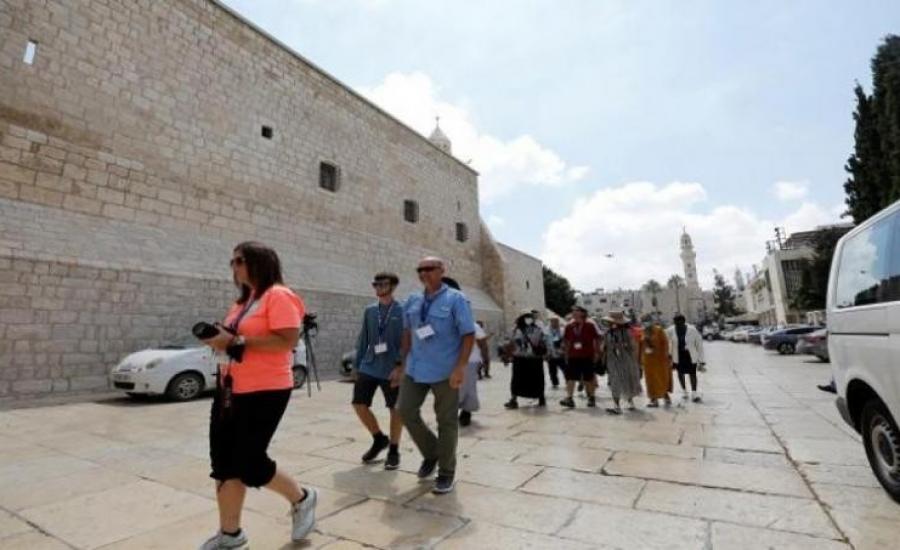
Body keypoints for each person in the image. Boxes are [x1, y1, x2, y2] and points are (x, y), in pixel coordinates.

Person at [199, 242, 316, 549]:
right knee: (223, 463)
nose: (234, 267)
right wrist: (220, 339)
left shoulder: (279, 295)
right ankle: (231, 535)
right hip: (229, 389)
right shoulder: (243, 302)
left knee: (249, 462)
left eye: (239, 260)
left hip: (265, 390)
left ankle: (302, 498)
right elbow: (237, 339)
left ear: (259, 262)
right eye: (232, 261)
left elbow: (287, 340)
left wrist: (237, 340)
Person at [397, 257, 475, 494]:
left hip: (445, 370)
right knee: (405, 410)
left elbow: (468, 334)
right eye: (420, 270)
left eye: (429, 269)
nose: (424, 273)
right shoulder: (413, 300)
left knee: (446, 421)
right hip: (415, 368)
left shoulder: (456, 299)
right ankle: (431, 453)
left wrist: (460, 367)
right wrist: (401, 364)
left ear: (442, 270)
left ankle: (446, 472)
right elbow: (408, 333)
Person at [352, 272, 405, 469]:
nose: (378, 288)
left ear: (393, 286)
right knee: (359, 404)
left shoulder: (403, 310)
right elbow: (363, 339)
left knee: (395, 408)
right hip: (369, 365)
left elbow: (408, 341)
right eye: (376, 284)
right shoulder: (370, 310)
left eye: (383, 284)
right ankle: (379, 438)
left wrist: (400, 366)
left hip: (393, 368)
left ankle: (394, 450)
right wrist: (357, 365)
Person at [441, 277, 488, 427]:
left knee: (467, 388)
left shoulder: (470, 323)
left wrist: (485, 359)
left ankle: (466, 412)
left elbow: (482, 342)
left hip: (469, 360)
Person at [504, 310, 548, 409]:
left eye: (529, 317)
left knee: (535, 379)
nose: (528, 319)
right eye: (526, 317)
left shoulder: (537, 328)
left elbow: (544, 341)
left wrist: (546, 352)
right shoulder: (517, 329)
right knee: (519, 379)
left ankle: (540, 397)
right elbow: (510, 343)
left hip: (531, 358)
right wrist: (507, 356)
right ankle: (515, 399)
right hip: (523, 358)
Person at [602, 310, 643, 414]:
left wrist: (623, 346)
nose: (609, 323)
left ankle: (630, 402)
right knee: (614, 382)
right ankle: (616, 405)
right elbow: (605, 346)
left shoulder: (627, 332)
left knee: (627, 381)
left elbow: (633, 347)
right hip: (612, 360)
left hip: (626, 360)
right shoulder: (608, 333)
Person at [560, 306, 600, 408]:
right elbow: (566, 341)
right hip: (573, 356)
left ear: (582, 313)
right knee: (570, 377)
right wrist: (565, 354)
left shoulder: (590, 325)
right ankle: (569, 398)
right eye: (573, 311)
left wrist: (597, 352)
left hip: (587, 355)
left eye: (576, 311)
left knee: (588, 378)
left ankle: (591, 397)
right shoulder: (569, 326)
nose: (574, 312)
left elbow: (596, 339)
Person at [666, 313, 706, 403]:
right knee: (680, 373)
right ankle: (684, 391)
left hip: (689, 355)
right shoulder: (671, 330)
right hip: (678, 355)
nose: (678, 325)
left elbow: (699, 344)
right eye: (676, 323)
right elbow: (665, 339)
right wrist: (668, 354)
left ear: (684, 322)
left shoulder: (692, 330)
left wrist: (702, 360)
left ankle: (694, 393)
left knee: (692, 373)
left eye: (679, 323)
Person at [640, 315, 672, 407]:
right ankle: (653, 399)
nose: (645, 323)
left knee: (661, 378)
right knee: (650, 380)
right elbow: (641, 345)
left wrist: (665, 355)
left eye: (647, 321)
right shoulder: (643, 331)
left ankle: (665, 396)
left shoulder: (659, 330)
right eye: (643, 321)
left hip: (660, 360)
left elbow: (665, 344)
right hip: (648, 361)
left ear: (651, 321)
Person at [544, 317, 565, 389]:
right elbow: (544, 341)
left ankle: (567, 380)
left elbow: (565, 340)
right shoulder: (546, 330)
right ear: (551, 322)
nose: (555, 323)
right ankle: (555, 383)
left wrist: (563, 347)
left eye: (557, 321)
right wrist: (545, 352)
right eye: (553, 321)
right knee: (552, 370)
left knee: (564, 368)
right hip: (550, 353)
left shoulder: (562, 330)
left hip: (561, 353)